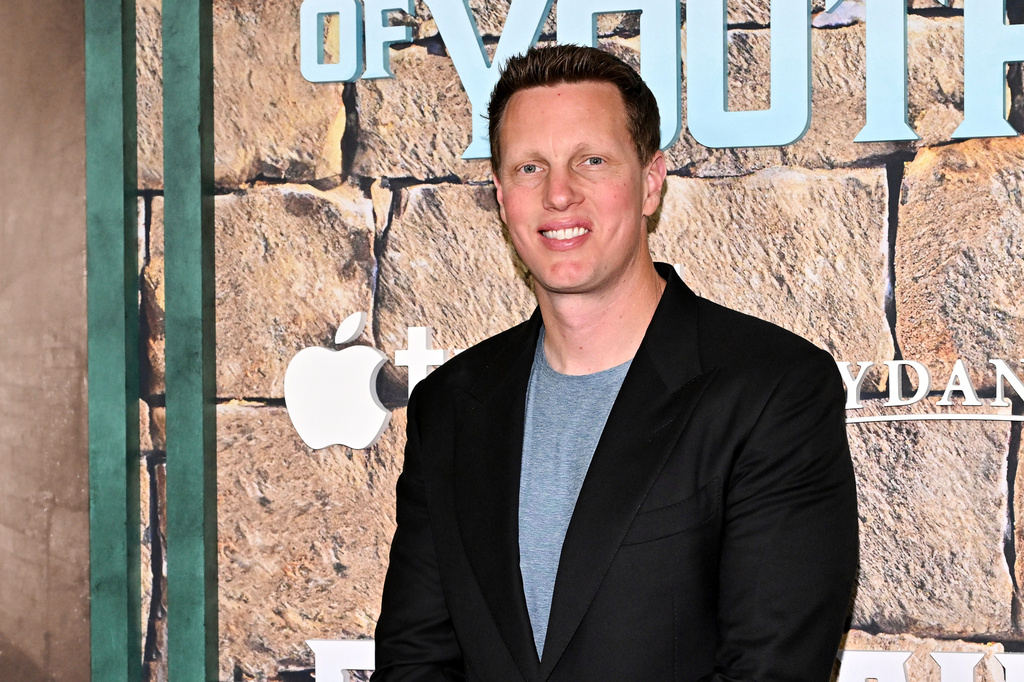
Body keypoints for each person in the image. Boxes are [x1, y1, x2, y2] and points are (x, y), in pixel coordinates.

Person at [371, 44, 858, 681]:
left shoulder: (772, 391)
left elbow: (771, 670)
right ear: (500, 196)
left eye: (591, 161)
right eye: (529, 168)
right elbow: (415, 660)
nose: (559, 194)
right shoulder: (449, 406)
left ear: (650, 182)